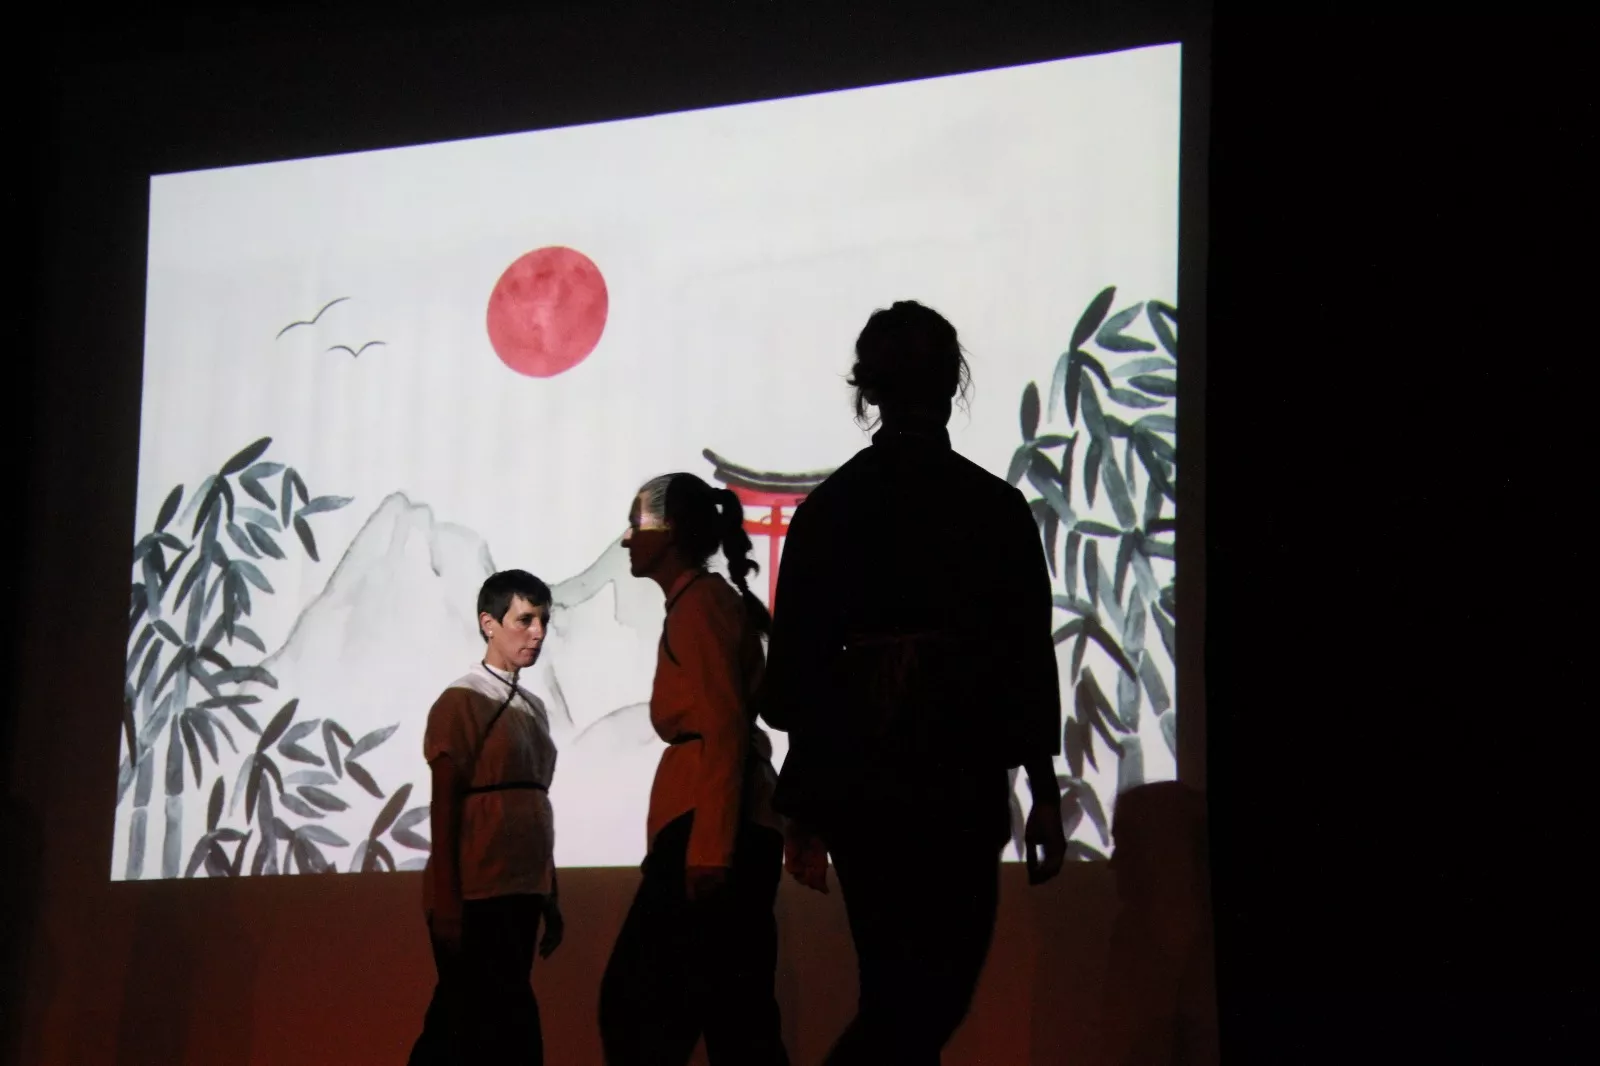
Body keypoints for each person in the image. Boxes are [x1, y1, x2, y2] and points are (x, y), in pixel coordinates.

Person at [757, 300, 1070, 1065]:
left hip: (864, 784)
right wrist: (1044, 788)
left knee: (895, 990)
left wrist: (801, 799)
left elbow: (796, 671)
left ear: (868, 390)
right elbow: (1025, 652)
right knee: (924, 1001)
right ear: (952, 381)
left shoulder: (829, 511)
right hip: (958, 777)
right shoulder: (994, 508)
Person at [598, 473, 789, 1066]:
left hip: (711, 826)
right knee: (735, 1013)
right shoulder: (700, 602)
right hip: (723, 821)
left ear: (670, 530)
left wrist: (709, 845)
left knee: (640, 1006)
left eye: (639, 525)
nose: (629, 539)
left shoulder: (701, 604)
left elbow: (725, 722)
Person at [409, 570, 565, 1066]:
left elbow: (535, 807)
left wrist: (550, 892)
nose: (537, 631)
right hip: (477, 887)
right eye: (524, 619)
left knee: (482, 1021)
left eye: (543, 619)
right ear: (489, 624)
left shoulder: (534, 707)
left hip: (519, 886)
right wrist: (447, 894)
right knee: (475, 1021)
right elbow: (446, 800)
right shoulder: (462, 699)